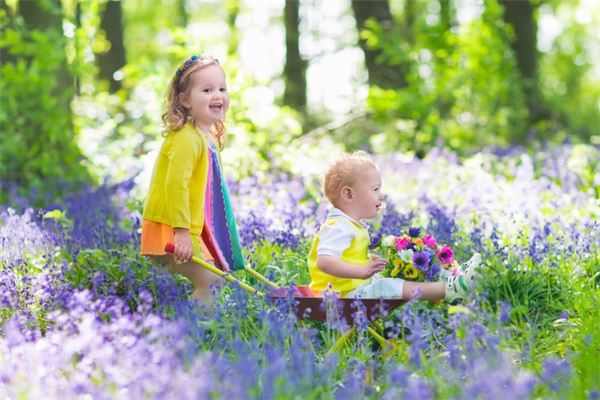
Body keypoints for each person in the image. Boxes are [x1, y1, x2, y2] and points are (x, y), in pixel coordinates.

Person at [141, 54, 244, 307]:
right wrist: (182, 233)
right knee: (211, 281)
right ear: (185, 99)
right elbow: (176, 186)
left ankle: (192, 331)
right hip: (171, 227)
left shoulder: (202, 136)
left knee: (217, 279)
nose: (217, 95)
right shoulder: (186, 138)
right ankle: (187, 334)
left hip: (185, 227)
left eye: (222, 88)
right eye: (207, 90)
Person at [307, 152, 481, 304]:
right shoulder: (338, 227)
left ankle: (452, 277)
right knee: (387, 286)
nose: (381, 195)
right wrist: (362, 270)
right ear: (349, 194)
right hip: (338, 298)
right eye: (375, 189)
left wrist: (366, 261)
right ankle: (449, 291)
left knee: (390, 279)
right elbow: (325, 262)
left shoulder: (349, 225)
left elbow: (344, 257)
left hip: (350, 292)